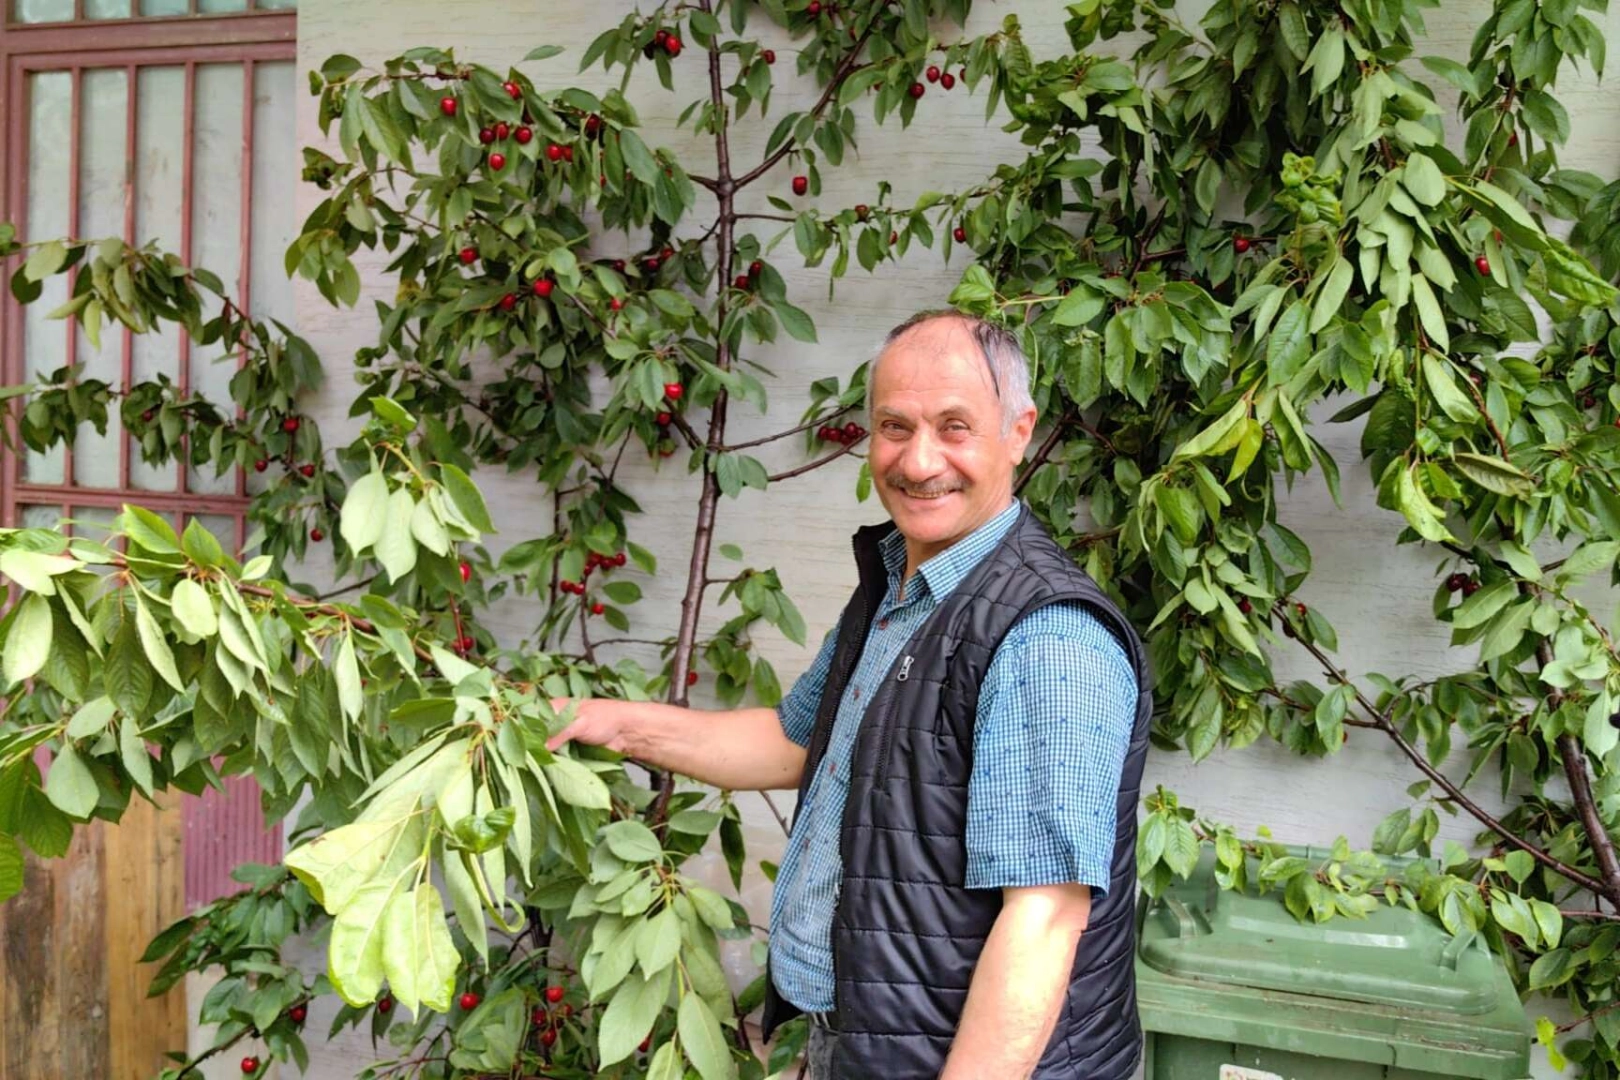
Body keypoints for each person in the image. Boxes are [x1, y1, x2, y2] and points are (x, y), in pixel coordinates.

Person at [547, 310, 1152, 1079]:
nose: (918, 459)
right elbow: (794, 741)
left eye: (955, 426)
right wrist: (614, 724)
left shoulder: (1045, 637)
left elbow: (1042, 919)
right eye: (894, 426)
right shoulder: (904, 587)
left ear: (1018, 431)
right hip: (877, 1039)